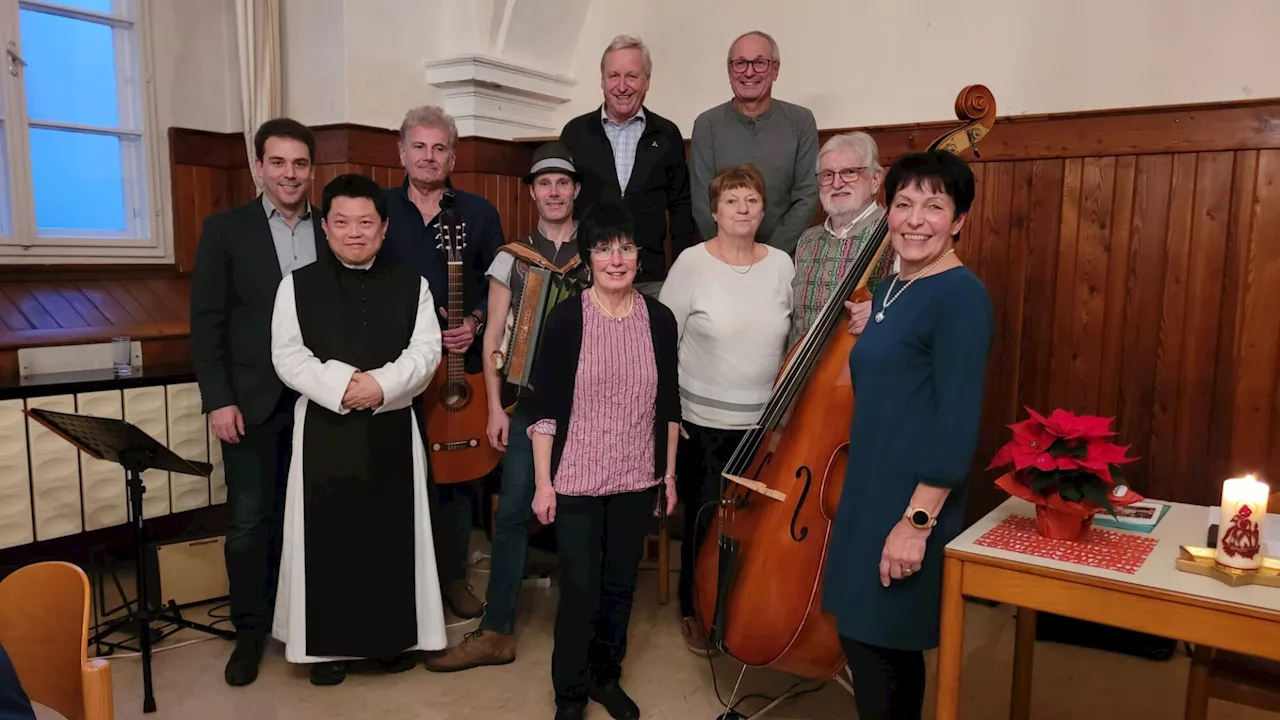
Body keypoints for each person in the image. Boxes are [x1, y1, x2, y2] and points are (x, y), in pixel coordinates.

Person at [822, 150, 993, 719]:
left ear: (959, 220)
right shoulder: (893, 287)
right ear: (886, 211)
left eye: (934, 206)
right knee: (867, 641)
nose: (915, 220)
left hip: (911, 498)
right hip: (869, 485)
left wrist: (918, 523)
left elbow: (957, 421)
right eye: (903, 204)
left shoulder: (961, 296)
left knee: (881, 644)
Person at [269, 173, 448, 686]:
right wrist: (346, 385)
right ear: (325, 228)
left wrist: (382, 386)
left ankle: (392, 640)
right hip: (326, 429)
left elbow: (426, 352)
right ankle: (328, 650)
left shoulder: (413, 284)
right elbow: (287, 356)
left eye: (365, 222)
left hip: (392, 426)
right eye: (342, 222)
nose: (354, 232)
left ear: (384, 227)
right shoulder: (295, 287)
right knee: (331, 541)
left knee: (392, 538)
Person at [425, 142, 588, 672]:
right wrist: (494, 408)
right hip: (524, 405)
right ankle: (496, 629)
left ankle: (588, 629)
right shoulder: (512, 259)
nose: (555, 191)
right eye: (545, 183)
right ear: (533, 192)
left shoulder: (600, 252)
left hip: (588, 407)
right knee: (514, 510)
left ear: (575, 189)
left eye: (563, 182)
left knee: (585, 513)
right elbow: (492, 334)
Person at [526, 203, 681, 720]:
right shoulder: (568, 318)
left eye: (626, 247)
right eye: (604, 248)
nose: (617, 258)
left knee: (619, 585)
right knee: (580, 589)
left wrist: (669, 475)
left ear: (639, 255)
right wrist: (543, 484)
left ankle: (605, 677)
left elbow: (670, 405)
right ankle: (569, 692)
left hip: (637, 478)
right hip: (576, 481)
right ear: (586, 258)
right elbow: (544, 408)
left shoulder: (659, 319)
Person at [189, 117, 321, 686]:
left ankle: (315, 635)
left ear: (312, 170)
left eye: (299, 164)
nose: (289, 174)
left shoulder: (334, 228)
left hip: (319, 404)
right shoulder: (225, 230)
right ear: (257, 167)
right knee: (249, 523)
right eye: (278, 163)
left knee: (314, 522)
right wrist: (219, 400)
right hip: (251, 403)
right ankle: (249, 634)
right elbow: (207, 322)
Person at [658, 164, 794, 653]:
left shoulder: (782, 264)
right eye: (732, 200)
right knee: (705, 517)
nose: (742, 208)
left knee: (754, 521)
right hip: (702, 422)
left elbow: (794, 343)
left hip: (765, 425)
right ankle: (694, 608)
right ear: (713, 210)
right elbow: (661, 342)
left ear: (763, 209)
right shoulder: (692, 263)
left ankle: (738, 603)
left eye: (751, 200)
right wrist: (670, 413)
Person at [381, 105, 504, 621]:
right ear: (402, 152)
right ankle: (399, 585)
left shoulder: (478, 213)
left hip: (458, 366)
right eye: (420, 147)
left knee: (453, 480)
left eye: (439, 148)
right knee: (397, 477)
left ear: (452, 156)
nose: (429, 157)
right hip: (396, 368)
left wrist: (474, 320)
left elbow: (498, 286)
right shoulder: (378, 209)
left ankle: (453, 580)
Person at [559, 34, 695, 297]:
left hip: (650, 281)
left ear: (647, 82)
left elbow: (681, 207)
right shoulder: (575, 133)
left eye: (632, 76)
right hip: (587, 280)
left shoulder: (667, 135)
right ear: (602, 81)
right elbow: (561, 204)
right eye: (613, 76)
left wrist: (681, 270)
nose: (622, 86)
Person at [690, 30, 819, 255]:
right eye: (740, 63)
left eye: (759, 63)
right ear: (729, 71)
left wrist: (768, 256)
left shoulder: (801, 121)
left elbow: (807, 196)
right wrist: (730, 253)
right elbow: (703, 203)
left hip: (784, 258)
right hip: (721, 260)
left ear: (775, 70)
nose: (749, 72)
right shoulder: (707, 124)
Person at [790, 132, 894, 347]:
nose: (837, 183)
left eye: (849, 172)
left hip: (859, 375)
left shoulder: (897, 235)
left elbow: (923, 306)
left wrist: (885, 311)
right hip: (799, 374)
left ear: (875, 180)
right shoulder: (807, 240)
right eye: (827, 175)